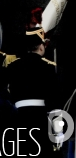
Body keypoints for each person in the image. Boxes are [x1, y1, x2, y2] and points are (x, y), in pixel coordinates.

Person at [6, 25, 61, 157]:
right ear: (41, 47)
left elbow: (9, 96)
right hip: (40, 119)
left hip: (18, 118)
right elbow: (53, 102)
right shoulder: (48, 67)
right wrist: (58, 130)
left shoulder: (12, 67)